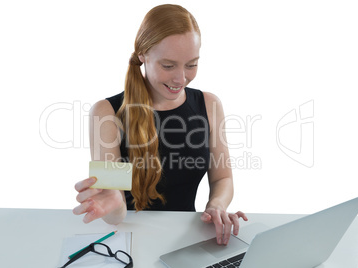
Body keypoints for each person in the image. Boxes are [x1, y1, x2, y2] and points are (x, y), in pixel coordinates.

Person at [73, 4, 248, 245]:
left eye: (191, 64)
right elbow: (115, 209)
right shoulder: (107, 113)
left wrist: (216, 205)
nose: (181, 78)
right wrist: (113, 205)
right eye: (168, 65)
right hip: (130, 241)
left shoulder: (210, 104)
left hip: (188, 240)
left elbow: (222, 179)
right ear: (143, 54)